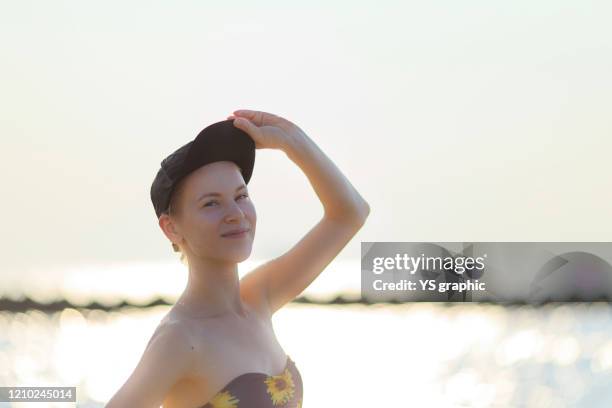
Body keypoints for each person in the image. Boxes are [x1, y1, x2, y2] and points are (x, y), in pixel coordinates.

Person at [106, 109, 370, 407]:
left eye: (241, 196)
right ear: (171, 227)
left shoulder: (259, 298)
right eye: (211, 203)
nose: (235, 214)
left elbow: (350, 214)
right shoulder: (180, 339)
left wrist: (291, 140)